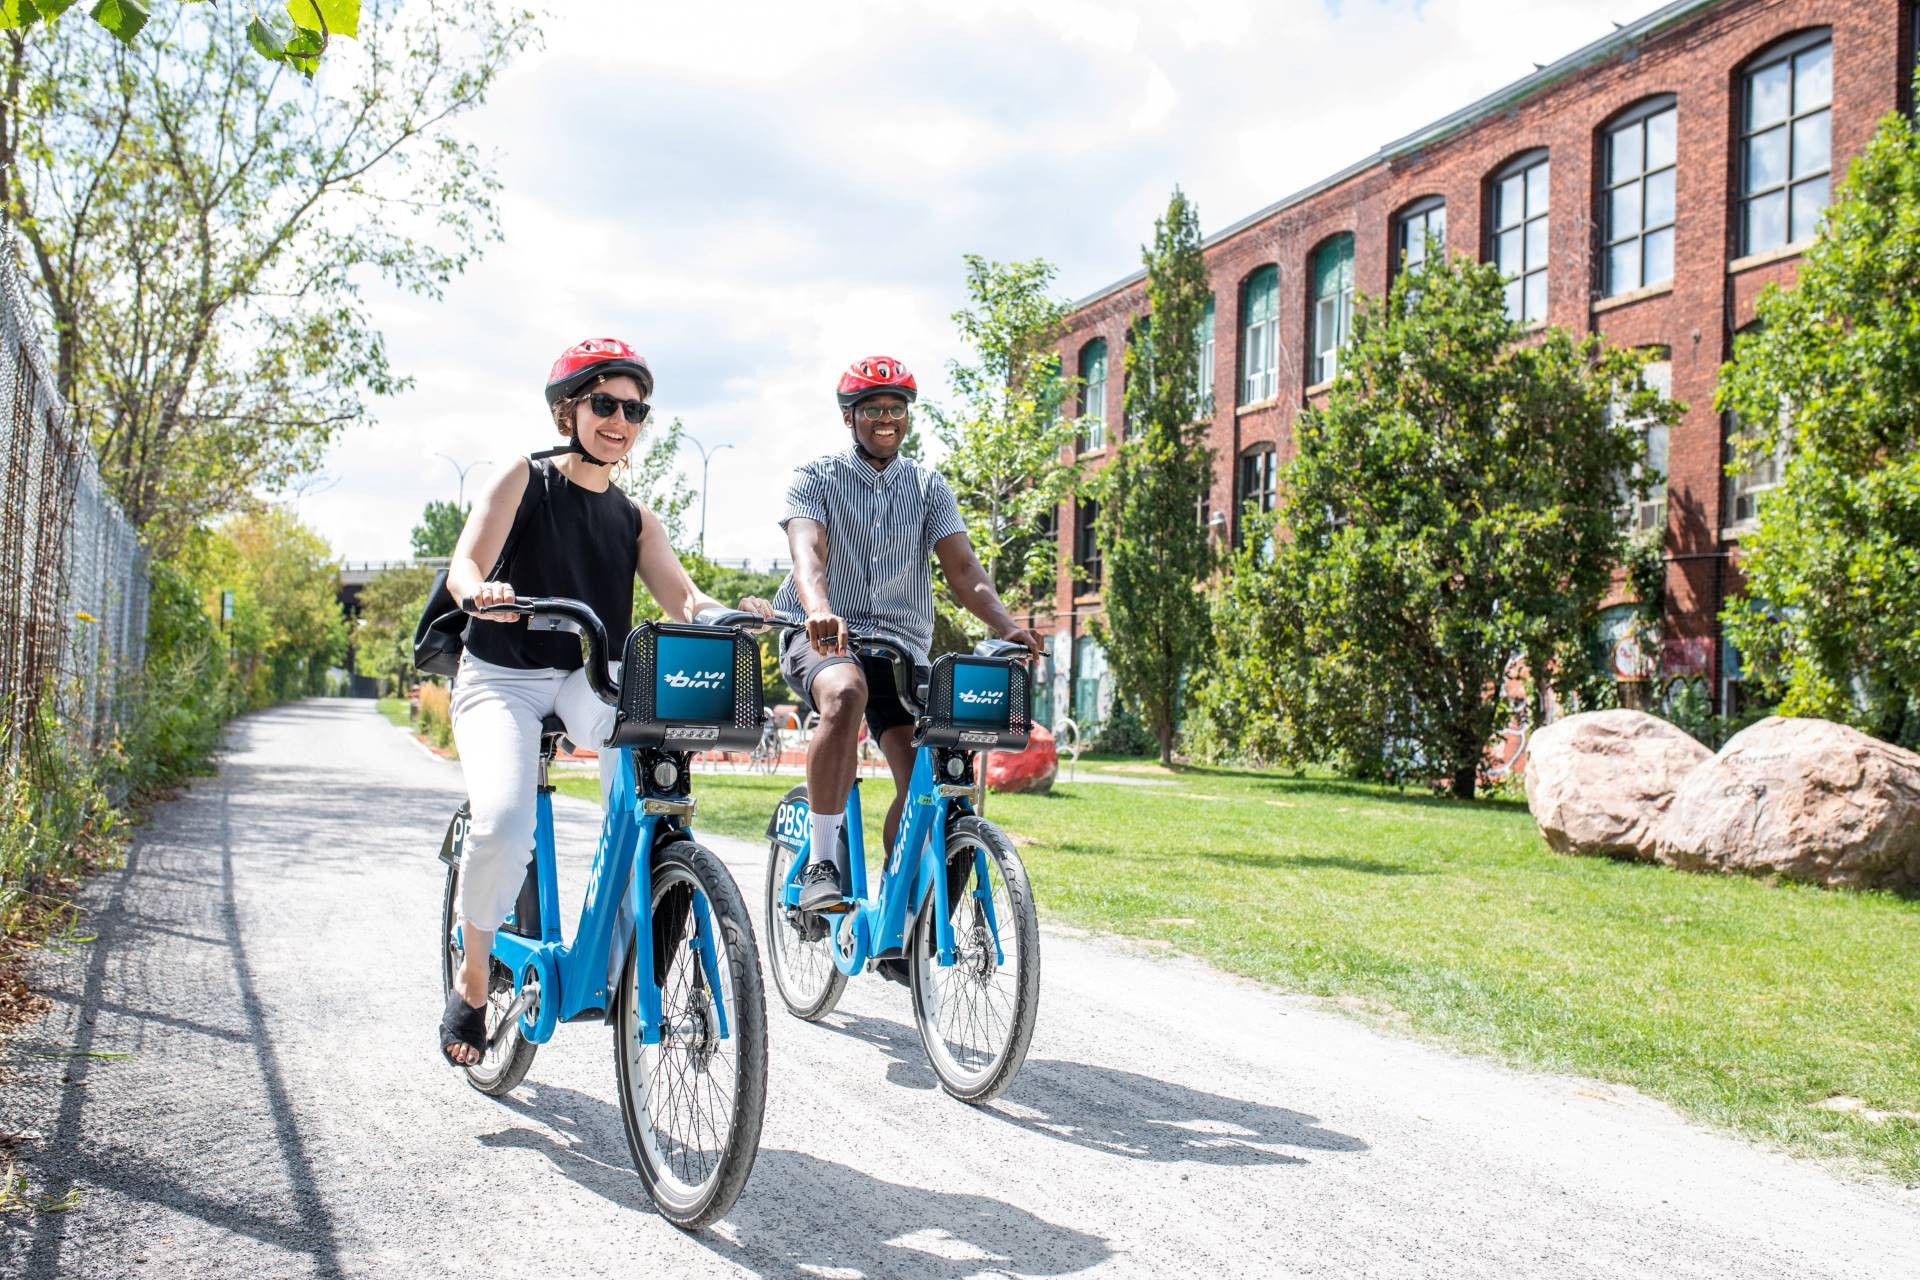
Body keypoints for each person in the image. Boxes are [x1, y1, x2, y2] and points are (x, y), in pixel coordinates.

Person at [438, 337, 768, 1066]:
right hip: (503, 675)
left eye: (635, 410)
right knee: (502, 820)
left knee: (656, 782)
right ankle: (470, 979)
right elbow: (465, 563)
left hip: (588, 675)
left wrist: (725, 614)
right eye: (605, 404)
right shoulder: (523, 478)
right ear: (569, 411)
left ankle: (630, 951)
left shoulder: (635, 517)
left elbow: (682, 596)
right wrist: (481, 593)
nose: (620, 420)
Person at [773, 356, 1043, 951]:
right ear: (851, 417)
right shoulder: (815, 478)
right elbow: (807, 554)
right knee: (845, 693)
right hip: (823, 636)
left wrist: (1007, 623)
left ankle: (900, 922)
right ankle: (821, 863)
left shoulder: (928, 487)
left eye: (897, 409)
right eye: (873, 410)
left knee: (935, 773)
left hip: (899, 650)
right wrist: (818, 605)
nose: (887, 419)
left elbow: (964, 569)